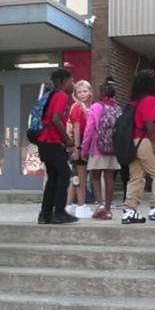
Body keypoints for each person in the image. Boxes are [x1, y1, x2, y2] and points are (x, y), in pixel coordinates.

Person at [122, 69, 155, 224]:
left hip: (133, 143)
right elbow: (149, 123)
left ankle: (130, 211)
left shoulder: (134, 102)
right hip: (145, 141)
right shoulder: (150, 100)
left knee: (136, 178)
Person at [36, 68, 78, 225]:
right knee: (64, 174)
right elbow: (55, 119)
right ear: (62, 81)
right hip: (52, 141)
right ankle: (59, 212)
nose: (72, 84)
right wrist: (67, 139)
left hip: (44, 142)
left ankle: (45, 214)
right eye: (71, 81)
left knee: (53, 177)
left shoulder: (51, 95)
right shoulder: (61, 96)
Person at [82, 78, 121, 220]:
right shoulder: (117, 108)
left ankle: (99, 205)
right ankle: (109, 208)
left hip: (97, 148)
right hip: (113, 149)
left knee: (95, 176)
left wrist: (84, 149)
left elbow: (89, 129)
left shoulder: (96, 107)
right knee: (109, 177)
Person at [65, 80, 93, 219]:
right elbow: (76, 128)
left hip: (84, 141)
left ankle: (69, 205)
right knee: (81, 177)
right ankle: (81, 206)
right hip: (79, 141)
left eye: (85, 91)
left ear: (90, 92)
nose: (82, 94)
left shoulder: (88, 108)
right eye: (79, 92)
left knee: (76, 177)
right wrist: (77, 147)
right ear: (75, 94)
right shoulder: (77, 107)